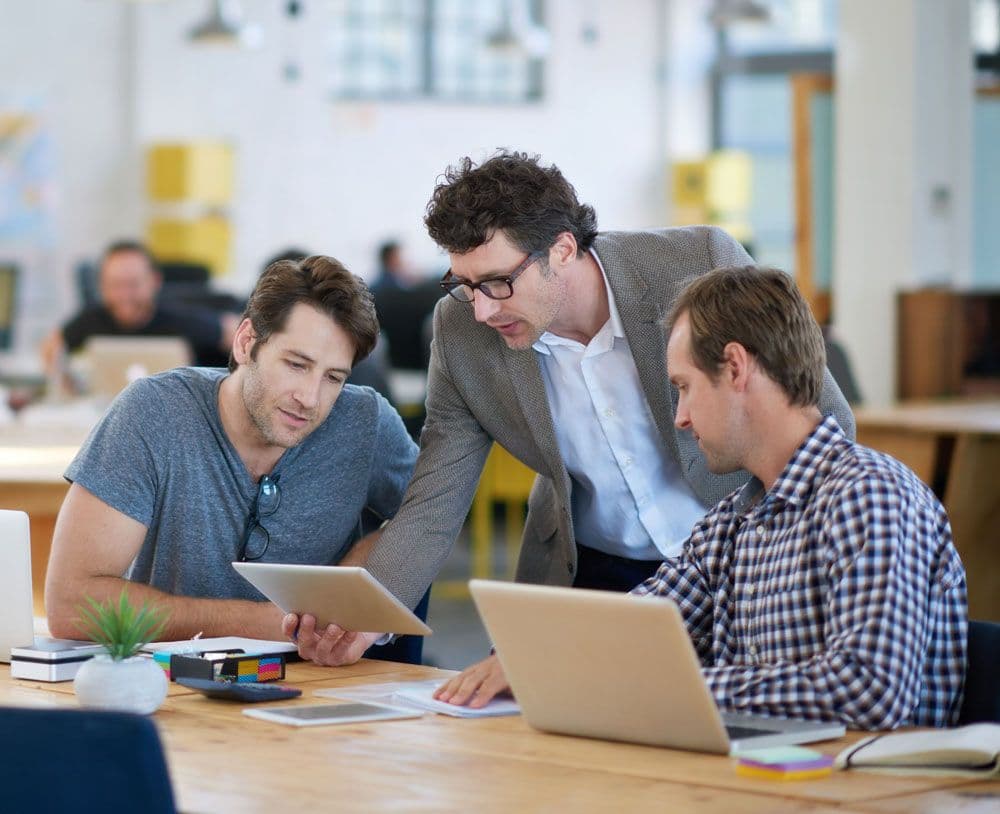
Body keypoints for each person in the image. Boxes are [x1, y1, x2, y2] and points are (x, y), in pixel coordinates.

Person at [285, 150, 855, 685]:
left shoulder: (697, 264)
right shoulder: (461, 332)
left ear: (561, 249)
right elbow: (435, 499)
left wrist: (785, 560)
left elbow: (821, 420)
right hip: (590, 572)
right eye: (465, 285)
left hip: (735, 560)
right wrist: (368, 615)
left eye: (498, 283)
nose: (481, 309)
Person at [45, 255, 419, 664]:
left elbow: (429, 518)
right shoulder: (152, 412)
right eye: (296, 365)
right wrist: (267, 623)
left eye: (334, 377)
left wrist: (351, 590)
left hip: (323, 688)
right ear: (245, 342)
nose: (310, 398)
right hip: (175, 688)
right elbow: (70, 605)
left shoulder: (364, 422)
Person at [40, 240, 237, 378]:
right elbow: (53, 346)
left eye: (133, 285)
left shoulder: (181, 320)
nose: (124, 296)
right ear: (101, 286)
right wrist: (67, 387)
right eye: (115, 285)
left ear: (154, 281)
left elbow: (233, 331)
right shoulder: (91, 319)